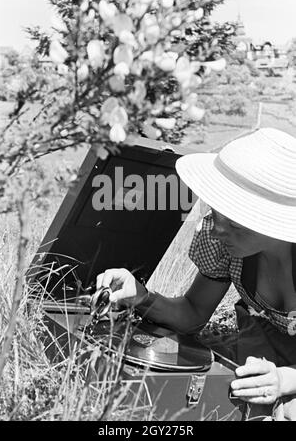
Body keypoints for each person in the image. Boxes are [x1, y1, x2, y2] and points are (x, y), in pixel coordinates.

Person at [93, 128, 296, 421]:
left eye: (234, 220)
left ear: (275, 222)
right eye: (215, 212)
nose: (216, 229)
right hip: (264, 344)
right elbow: (193, 312)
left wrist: (284, 380)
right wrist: (141, 296)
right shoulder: (222, 244)